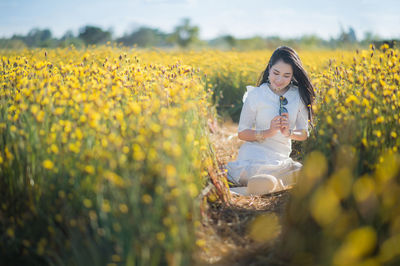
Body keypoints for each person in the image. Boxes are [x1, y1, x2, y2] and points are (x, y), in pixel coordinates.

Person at [226, 46, 315, 196]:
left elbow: (304, 133)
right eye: (276, 73)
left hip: (280, 159)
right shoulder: (255, 95)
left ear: (293, 75)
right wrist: (268, 132)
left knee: (302, 171)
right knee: (259, 173)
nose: (280, 80)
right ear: (269, 68)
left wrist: (289, 132)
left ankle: (264, 184)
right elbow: (242, 133)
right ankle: (267, 184)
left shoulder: (298, 96)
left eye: (287, 76)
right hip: (254, 155)